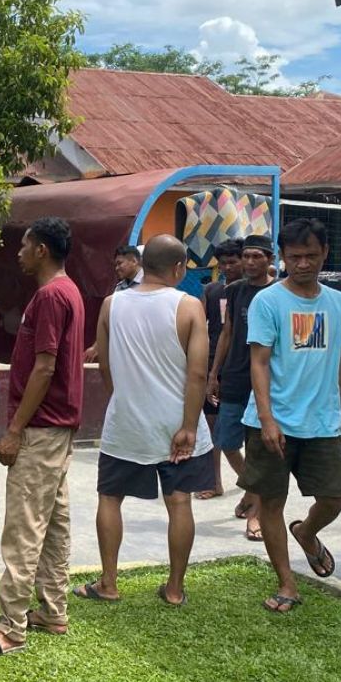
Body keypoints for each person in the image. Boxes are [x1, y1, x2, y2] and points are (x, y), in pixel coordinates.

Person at [0, 217, 84, 659]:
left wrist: (14, 431)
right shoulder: (66, 291)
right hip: (58, 427)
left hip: (41, 427)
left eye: (25, 244)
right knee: (54, 523)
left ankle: (11, 628)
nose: (18, 252)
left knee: (23, 529)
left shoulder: (52, 295)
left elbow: (46, 367)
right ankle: (53, 610)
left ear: (43, 250)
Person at [74, 235, 213, 609]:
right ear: (180, 268)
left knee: (109, 497)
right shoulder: (188, 307)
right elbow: (197, 374)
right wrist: (188, 425)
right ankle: (174, 588)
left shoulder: (111, 304)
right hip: (176, 424)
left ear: (142, 262)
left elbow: (104, 363)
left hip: (127, 422)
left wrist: (124, 399)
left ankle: (108, 582)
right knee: (180, 502)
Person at [242, 218, 341, 613]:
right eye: (294, 257)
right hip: (272, 422)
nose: (303, 264)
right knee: (271, 504)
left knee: (334, 498)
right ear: (282, 256)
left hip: (322, 422)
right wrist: (266, 419)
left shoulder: (340, 303)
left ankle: (307, 532)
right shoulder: (268, 301)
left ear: (325, 254)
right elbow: (258, 363)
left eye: (312, 256)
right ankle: (287, 583)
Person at [207, 235, 276, 542]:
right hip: (234, 376)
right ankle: (251, 488)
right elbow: (227, 332)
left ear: (269, 259)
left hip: (267, 380)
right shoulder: (234, 291)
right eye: (246, 256)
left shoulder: (278, 293)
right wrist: (214, 373)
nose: (249, 262)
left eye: (256, 256)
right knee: (227, 440)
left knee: (260, 447)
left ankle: (256, 514)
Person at [197, 238, 244, 500]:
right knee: (212, 427)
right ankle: (214, 482)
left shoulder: (254, 292)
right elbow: (199, 327)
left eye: (233, 261)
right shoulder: (212, 291)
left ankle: (253, 486)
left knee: (233, 436)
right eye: (223, 263)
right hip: (214, 365)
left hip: (242, 369)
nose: (228, 267)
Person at [84, 244, 145, 363]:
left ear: (134, 261)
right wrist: (95, 348)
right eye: (115, 265)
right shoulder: (119, 289)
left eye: (120, 263)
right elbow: (111, 321)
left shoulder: (149, 283)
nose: (117, 268)